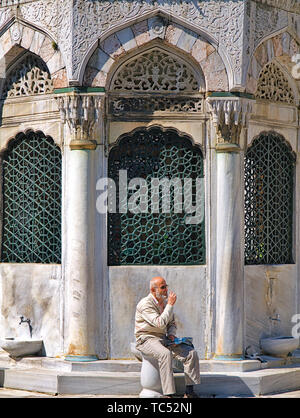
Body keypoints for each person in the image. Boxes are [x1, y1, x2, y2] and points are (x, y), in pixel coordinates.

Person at [134, 276, 200, 398]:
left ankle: (189, 392)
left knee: (190, 353)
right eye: (163, 287)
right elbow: (159, 323)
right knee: (165, 354)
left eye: (166, 286)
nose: (166, 290)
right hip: (146, 338)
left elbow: (171, 323)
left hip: (163, 338)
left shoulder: (164, 303)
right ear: (153, 290)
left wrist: (171, 334)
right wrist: (170, 305)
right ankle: (169, 394)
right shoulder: (145, 304)